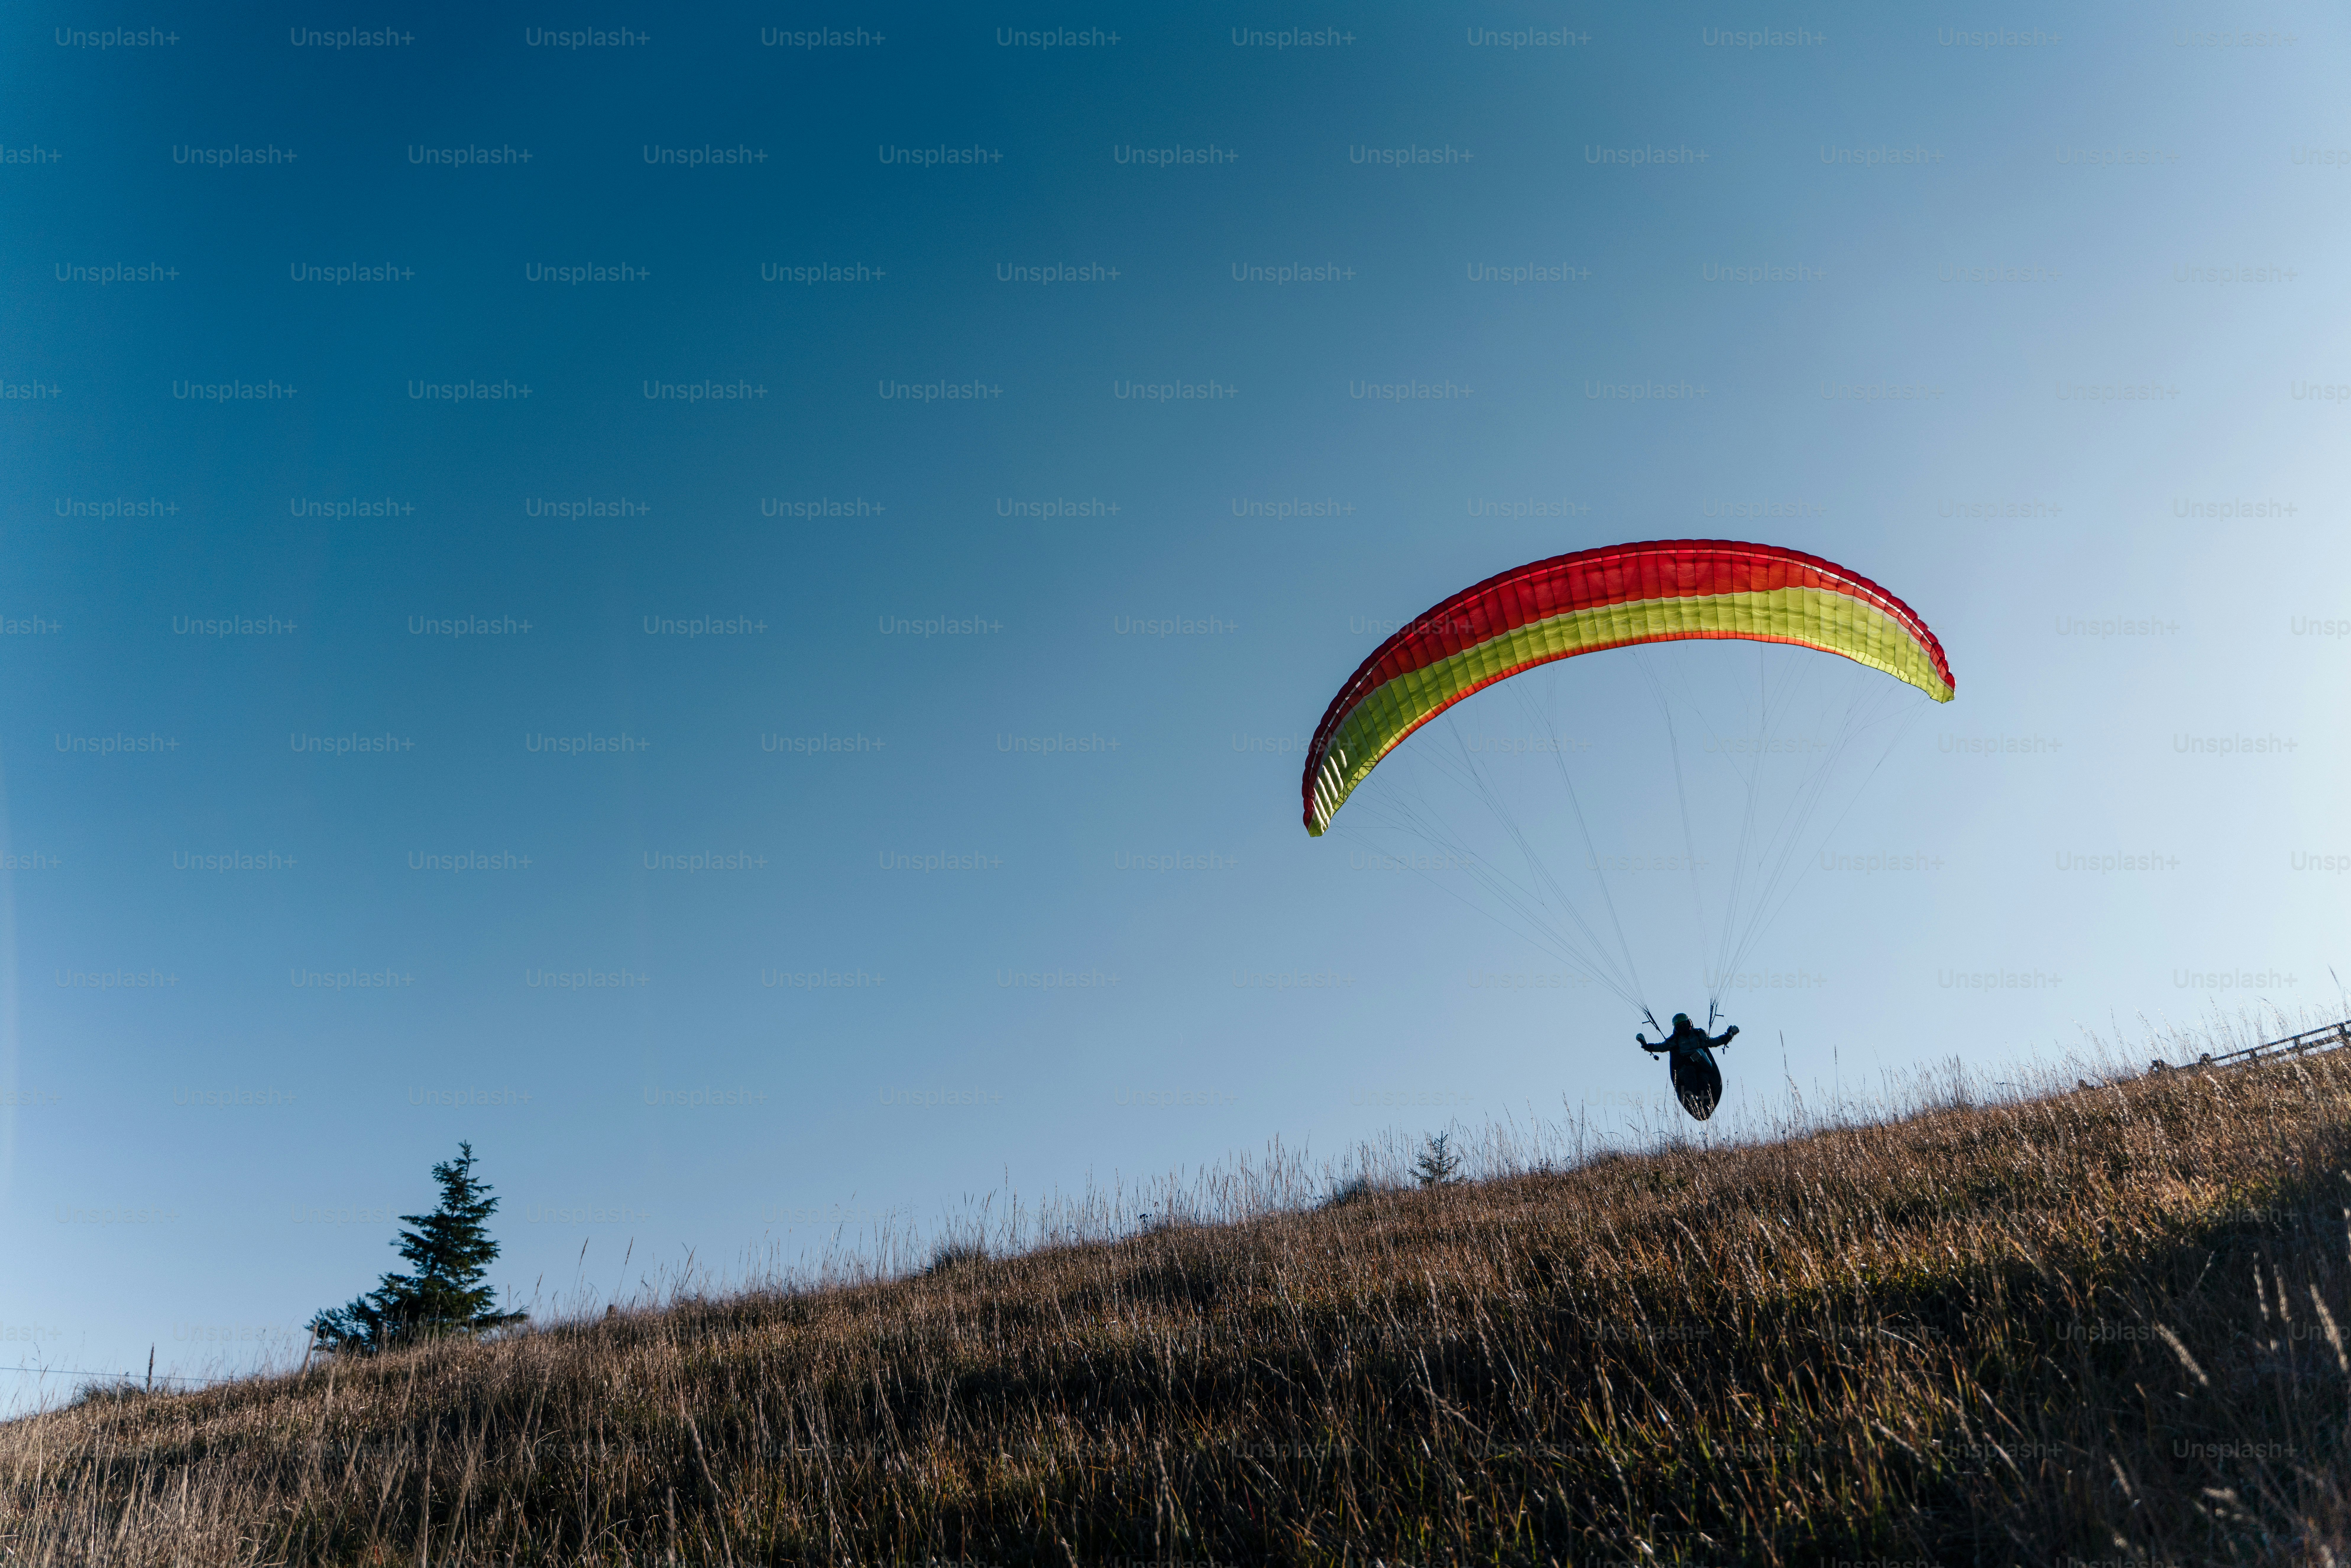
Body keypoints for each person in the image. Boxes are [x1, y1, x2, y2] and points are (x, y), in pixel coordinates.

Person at [1637, 1013, 1737, 1061]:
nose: (1683, 1028)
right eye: (1680, 1026)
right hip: (1686, 1065)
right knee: (1689, 1074)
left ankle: (1706, 1097)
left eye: (1685, 1024)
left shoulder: (1700, 1034)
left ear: (1689, 1024)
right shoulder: (1675, 1040)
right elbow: (1661, 1047)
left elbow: (1713, 1042)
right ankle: (1691, 1098)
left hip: (1702, 1063)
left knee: (1704, 1077)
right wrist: (1646, 1045)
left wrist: (1729, 1036)